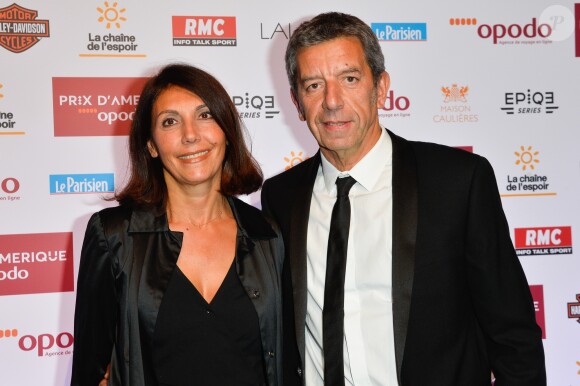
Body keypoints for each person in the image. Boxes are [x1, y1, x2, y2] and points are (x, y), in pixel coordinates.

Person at [261, 12, 546, 386]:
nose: (332, 101)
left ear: (380, 87)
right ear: (297, 102)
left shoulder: (457, 181)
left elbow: (513, 335)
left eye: (349, 79)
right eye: (313, 85)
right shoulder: (281, 197)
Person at [71, 63, 284, 386]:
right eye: (170, 122)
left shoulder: (266, 234)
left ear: (227, 131)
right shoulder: (115, 236)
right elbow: (90, 370)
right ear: (152, 145)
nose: (190, 135)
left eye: (205, 115)